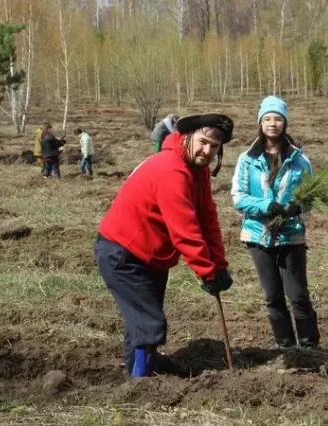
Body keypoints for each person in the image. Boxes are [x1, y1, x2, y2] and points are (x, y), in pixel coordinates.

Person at [94, 113, 235, 378]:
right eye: (203, 142)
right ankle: (141, 383)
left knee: (143, 323)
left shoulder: (198, 169)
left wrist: (219, 265)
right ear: (187, 137)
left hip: (152, 256)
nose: (207, 151)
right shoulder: (172, 169)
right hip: (122, 254)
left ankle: (139, 373)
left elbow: (207, 220)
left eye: (214, 146)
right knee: (149, 322)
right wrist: (206, 272)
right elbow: (184, 230)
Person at [230, 95, 320, 350]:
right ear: (260, 123)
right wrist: (266, 206)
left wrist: (298, 207)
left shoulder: (299, 159)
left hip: (291, 234)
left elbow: (312, 194)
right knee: (272, 296)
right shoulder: (247, 160)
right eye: (267, 118)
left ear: (285, 123)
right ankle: (286, 347)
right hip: (258, 235)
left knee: (298, 295)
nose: (273, 124)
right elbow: (239, 197)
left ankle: (309, 346)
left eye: (278, 119)